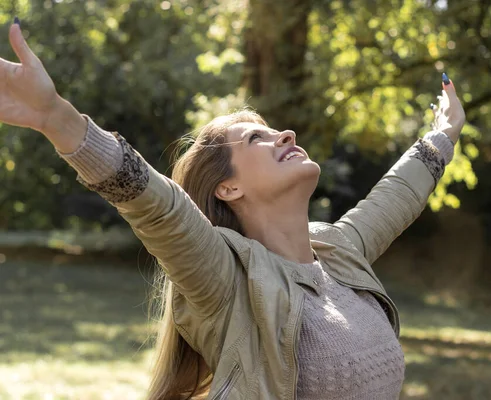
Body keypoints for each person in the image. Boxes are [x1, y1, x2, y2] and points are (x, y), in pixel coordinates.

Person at [1, 18, 465, 400]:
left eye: (277, 131)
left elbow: (398, 194)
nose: (286, 136)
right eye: (256, 139)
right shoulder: (227, 279)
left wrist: (443, 133)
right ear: (227, 188)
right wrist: (56, 119)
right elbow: (156, 205)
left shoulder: (341, 251)